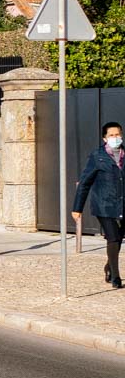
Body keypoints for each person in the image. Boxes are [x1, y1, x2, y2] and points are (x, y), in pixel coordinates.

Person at [73, 120, 125, 289]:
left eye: (118, 134)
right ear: (105, 138)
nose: (115, 137)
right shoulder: (98, 156)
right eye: (111, 135)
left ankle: (108, 266)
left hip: (122, 203)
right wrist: (77, 208)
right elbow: (85, 182)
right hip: (104, 204)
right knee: (113, 237)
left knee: (119, 238)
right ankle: (116, 277)